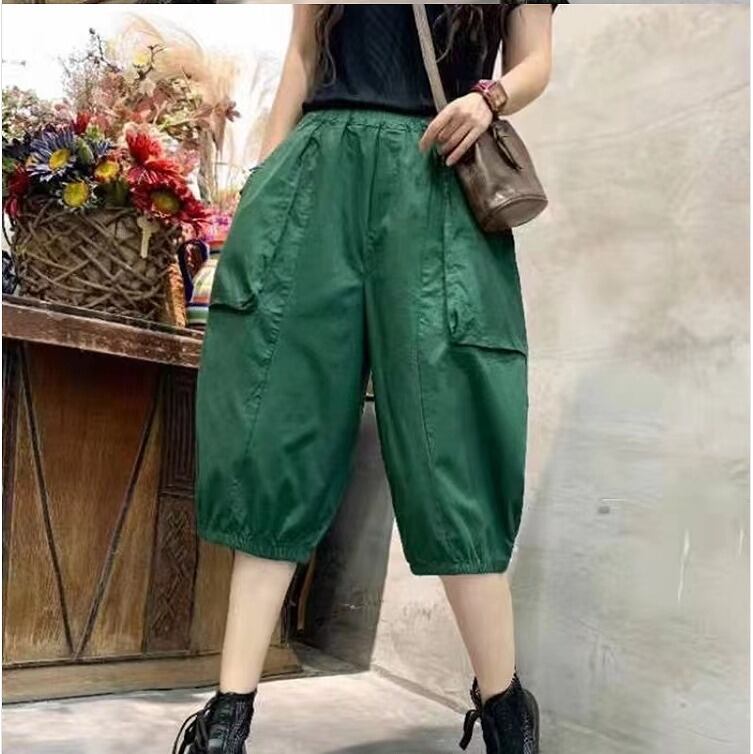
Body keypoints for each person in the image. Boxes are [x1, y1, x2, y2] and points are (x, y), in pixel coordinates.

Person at [173, 3, 564, 752]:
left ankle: (507, 712)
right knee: (275, 427)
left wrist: (489, 99)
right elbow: (301, 58)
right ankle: (226, 720)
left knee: (454, 442)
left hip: (436, 173)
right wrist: (260, 190)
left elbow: (536, 60)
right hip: (312, 178)